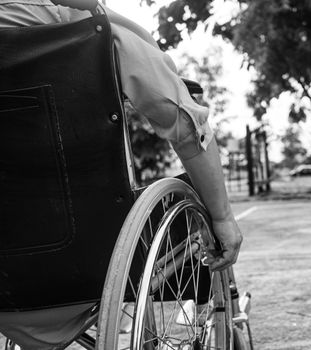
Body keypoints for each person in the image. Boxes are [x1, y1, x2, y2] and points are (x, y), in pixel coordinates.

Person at [0, 1, 242, 348]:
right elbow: (188, 130)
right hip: (84, 272)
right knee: (188, 196)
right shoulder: (94, 28)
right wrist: (222, 217)